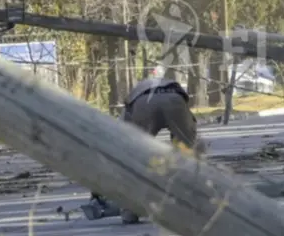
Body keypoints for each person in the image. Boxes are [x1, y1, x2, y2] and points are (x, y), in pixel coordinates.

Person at [81, 76, 203, 224]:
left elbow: (118, 149)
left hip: (143, 102)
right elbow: (189, 136)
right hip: (175, 98)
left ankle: (129, 210)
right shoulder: (169, 88)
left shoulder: (127, 111)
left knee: (133, 158)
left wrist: (96, 191)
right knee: (188, 156)